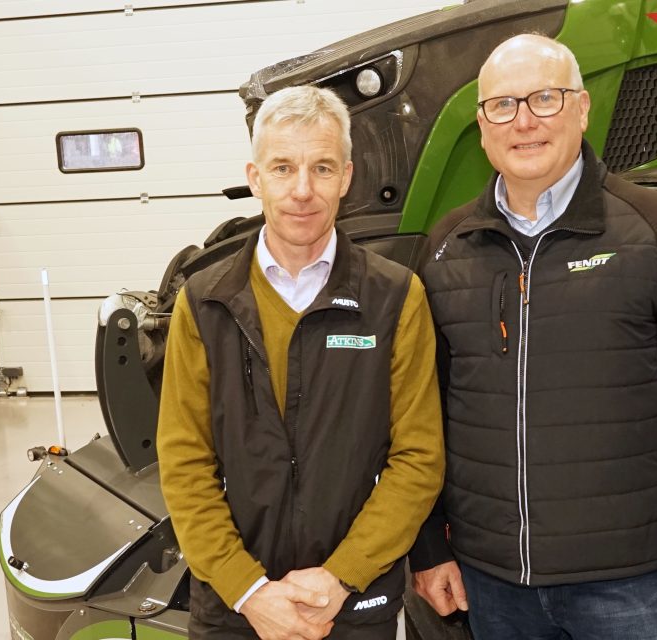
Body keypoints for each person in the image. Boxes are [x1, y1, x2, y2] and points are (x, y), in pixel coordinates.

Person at [409, 34, 657, 640]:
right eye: (503, 105)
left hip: (625, 583)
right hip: (493, 584)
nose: (524, 122)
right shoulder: (446, 246)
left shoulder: (655, 229)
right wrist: (428, 546)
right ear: (482, 125)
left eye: (545, 99)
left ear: (582, 108)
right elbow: (421, 412)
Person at [157, 85, 445, 640]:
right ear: (256, 177)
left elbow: (419, 459)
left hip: (355, 601)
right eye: (284, 168)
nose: (303, 190)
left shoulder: (394, 297)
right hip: (234, 607)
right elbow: (184, 464)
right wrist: (248, 589)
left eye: (322, 167)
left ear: (347, 177)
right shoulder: (204, 302)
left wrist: (342, 576)